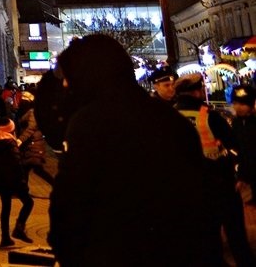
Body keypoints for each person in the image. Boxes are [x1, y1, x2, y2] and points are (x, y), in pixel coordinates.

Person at [49, 34, 207, 267]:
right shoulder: (170, 119)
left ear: (89, 74)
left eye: (69, 77)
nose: (65, 84)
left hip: (111, 252)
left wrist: (66, 252)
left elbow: (70, 202)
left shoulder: (89, 124)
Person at [173, 74, 254, 267]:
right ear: (196, 91)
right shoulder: (208, 114)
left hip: (191, 185)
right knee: (235, 233)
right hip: (220, 182)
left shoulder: (171, 114)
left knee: (208, 234)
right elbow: (233, 145)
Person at [0, 117, 32, 247]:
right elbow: (16, 163)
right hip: (13, 179)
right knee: (29, 202)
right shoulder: (10, 142)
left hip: (1, 178)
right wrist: (22, 182)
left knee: (5, 208)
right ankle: (19, 228)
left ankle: (5, 237)